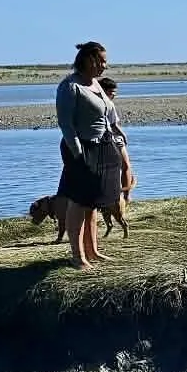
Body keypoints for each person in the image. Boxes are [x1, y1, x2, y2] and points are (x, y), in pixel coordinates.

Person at [55, 41, 122, 266]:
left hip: (102, 146)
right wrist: (78, 153)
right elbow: (66, 124)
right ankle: (78, 256)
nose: (105, 65)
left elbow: (108, 112)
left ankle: (92, 250)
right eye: (101, 60)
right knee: (78, 201)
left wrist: (115, 133)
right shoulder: (70, 87)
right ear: (88, 59)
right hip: (82, 149)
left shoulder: (95, 84)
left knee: (93, 202)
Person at [97, 76, 139, 206]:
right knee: (125, 165)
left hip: (107, 138)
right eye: (111, 92)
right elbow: (114, 125)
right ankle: (125, 196)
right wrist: (123, 135)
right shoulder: (106, 103)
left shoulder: (102, 102)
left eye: (114, 93)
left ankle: (122, 195)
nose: (113, 95)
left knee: (122, 166)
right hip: (109, 138)